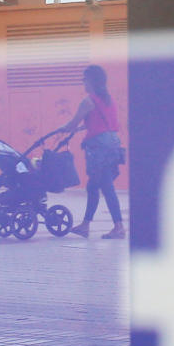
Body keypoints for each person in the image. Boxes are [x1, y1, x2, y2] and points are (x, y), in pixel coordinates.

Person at [63, 65, 125, 239]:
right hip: (113, 145)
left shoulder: (88, 101)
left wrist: (61, 129)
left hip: (99, 149)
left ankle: (119, 227)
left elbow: (72, 124)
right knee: (92, 186)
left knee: (106, 186)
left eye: (84, 78)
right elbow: (103, 123)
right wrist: (86, 126)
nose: (83, 82)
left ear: (91, 80)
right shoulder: (108, 100)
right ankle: (85, 225)